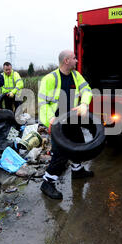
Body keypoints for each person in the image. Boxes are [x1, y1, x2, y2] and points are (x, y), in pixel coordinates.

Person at [37, 50, 93, 199]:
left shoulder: (76, 76)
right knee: (60, 155)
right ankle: (47, 183)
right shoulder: (50, 79)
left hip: (72, 119)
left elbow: (86, 90)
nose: (77, 61)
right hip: (57, 123)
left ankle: (77, 170)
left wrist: (84, 104)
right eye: (74, 58)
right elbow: (43, 103)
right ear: (67, 60)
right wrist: (50, 120)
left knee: (79, 143)